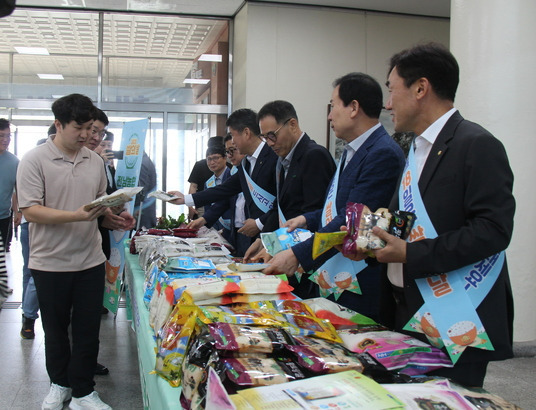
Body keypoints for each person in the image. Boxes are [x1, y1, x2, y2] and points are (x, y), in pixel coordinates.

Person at [362, 43, 513, 387]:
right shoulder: (412, 147)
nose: (387, 104)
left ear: (420, 88)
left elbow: (493, 230)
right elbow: (403, 218)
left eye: (391, 89)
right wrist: (368, 236)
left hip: (455, 313)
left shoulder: (477, 144)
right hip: (407, 309)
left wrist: (411, 254)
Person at [263, 73, 405, 320]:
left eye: (334, 105)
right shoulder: (352, 151)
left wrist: (297, 254)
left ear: (353, 108)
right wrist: (307, 219)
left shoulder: (382, 153)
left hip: (359, 278)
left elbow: (355, 220)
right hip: (337, 272)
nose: (329, 115)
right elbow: (338, 206)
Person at [17, 93, 113, 409]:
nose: (87, 135)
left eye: (90, 128)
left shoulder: (95, 160)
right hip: (50, 263)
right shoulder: (34, 160)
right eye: (79, 128)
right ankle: (60, 385)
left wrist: (112, 217)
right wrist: (75, 215)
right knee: (56, 331)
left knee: (88, 332)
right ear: (58, 124)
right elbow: (30, 211)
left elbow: (99, 204)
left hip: (89, 260)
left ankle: (84, 392)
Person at [245, 100, 336, 298]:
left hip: (306, 260)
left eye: (272, 135)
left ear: (292, 125)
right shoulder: (283, 161)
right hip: (287, 255)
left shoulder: (314, 156)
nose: (269, 143)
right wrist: (265, 240)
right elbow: (280, 206)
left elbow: (314, 216)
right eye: (264, 137)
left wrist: (277, 245)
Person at [169, 108, 278, 249]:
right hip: (254, 235)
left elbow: (283, 201)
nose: (233, 142)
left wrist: (259, 223)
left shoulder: (274, 157)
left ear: (246, 133)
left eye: (233, 136)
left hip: (273, 234)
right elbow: (224, 190)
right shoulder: (246, 163)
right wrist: (185, 199)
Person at [186, 136, 226, 220]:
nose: (212, 162)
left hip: (223, 206)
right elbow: (193, 186)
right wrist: (190, 206)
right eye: (210, 159)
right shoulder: (200, 165)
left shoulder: (229, 169)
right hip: (203, 206)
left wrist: (190, 207)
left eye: (216, 158)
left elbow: (193, 187)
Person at [0, 118, 19, 253]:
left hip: (3, 217)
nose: (5, 139)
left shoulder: (14, 162)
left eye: (8, 136)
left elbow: (18, 189)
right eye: (1, 135)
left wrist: (18, 211)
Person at [133, 151, 157, 229]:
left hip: (141, 213)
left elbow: (140, 191)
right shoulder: (143, 160)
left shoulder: (141, 162)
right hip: (145, 212)